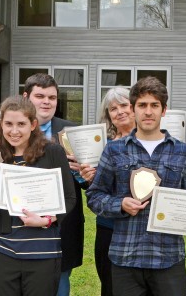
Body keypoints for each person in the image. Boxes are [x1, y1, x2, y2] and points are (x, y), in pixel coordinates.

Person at [86, 76, 186, 296]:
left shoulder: (182, 152)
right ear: (134, 109)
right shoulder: (114, 150)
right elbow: (95, 196)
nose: (148, 112)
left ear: (164, 110)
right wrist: (120, 205)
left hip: (167, 258)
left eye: (154, 105)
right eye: (142, 105)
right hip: (125, 256)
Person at [0, 96, 76, 295]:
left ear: (33, 125)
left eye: (21, 124)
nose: (14, 131)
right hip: (3, 253)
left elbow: (69, 198)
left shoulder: (52, 152)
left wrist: (45, 220)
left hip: (43, 253)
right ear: (1, 124)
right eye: (8, 124)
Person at [22, 73, 85, 296]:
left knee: (59, 284)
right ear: (26, 97)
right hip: (19, 222)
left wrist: (82, 172)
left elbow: (88, 182)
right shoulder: (10, 130)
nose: (46, 102)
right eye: (40, 96)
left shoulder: (73, 132)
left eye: (52, 97)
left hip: (62, 224)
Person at [79, 87, 135, 296]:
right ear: (108, 115)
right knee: (110, 287)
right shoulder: (101, 145)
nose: (119, 111)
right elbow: (94, 190)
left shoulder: (151, 142)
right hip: (109, 228)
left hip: (141, 229)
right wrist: (89, 178)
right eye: (113, 109)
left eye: (124, 105)